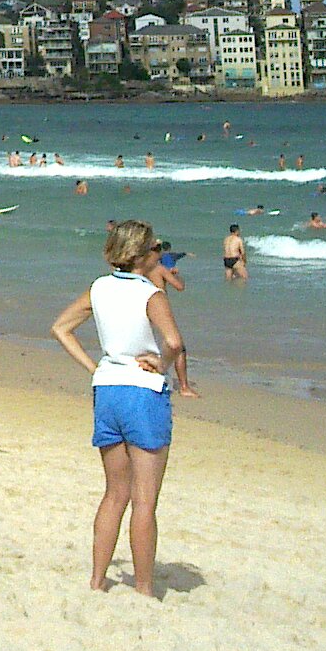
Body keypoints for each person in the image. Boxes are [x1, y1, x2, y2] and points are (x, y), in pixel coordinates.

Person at [50, 220, 194, 599]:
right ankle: (144, 589)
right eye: (155, 248)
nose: (159, 253)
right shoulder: (150, 294)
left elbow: (61, 328)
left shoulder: (99, 287)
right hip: (142, 394)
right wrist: (162, 365)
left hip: (107, 390)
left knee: (114, 494)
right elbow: (174, 342)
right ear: (142, 254)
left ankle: (98, 581)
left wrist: (94, 367)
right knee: (144, 501)